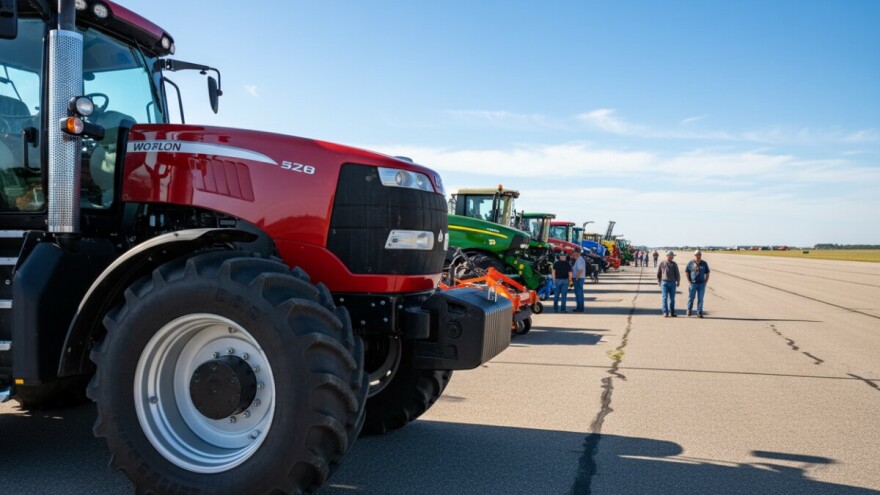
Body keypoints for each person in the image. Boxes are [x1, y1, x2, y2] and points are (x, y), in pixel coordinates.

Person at [686, 250, 711, 317]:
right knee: (691, 298)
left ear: (701, 255)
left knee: (700, 299)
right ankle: (689, 310)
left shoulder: (704, 263)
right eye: (696, 255)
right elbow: (687, 272)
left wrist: (705, 282)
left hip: (701, 284)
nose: (698, 256)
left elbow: (707, 273)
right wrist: (689, 281)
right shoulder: (690, 263)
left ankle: (699, 312)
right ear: (694, 255)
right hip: (693, 284)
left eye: (699, 255)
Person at [657, 250, 680, 317]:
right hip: (664, 283)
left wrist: (678, 281)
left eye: (672, 256)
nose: (671, 257)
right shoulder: (662, 263)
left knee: (672, 299)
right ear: (667, 256)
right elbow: (659, 273)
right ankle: (665, 312)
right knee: (664, 298)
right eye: (670, 256)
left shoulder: (674, 264)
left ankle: (672, 312)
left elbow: (677, 273)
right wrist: (659, 281)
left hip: (672, 283)